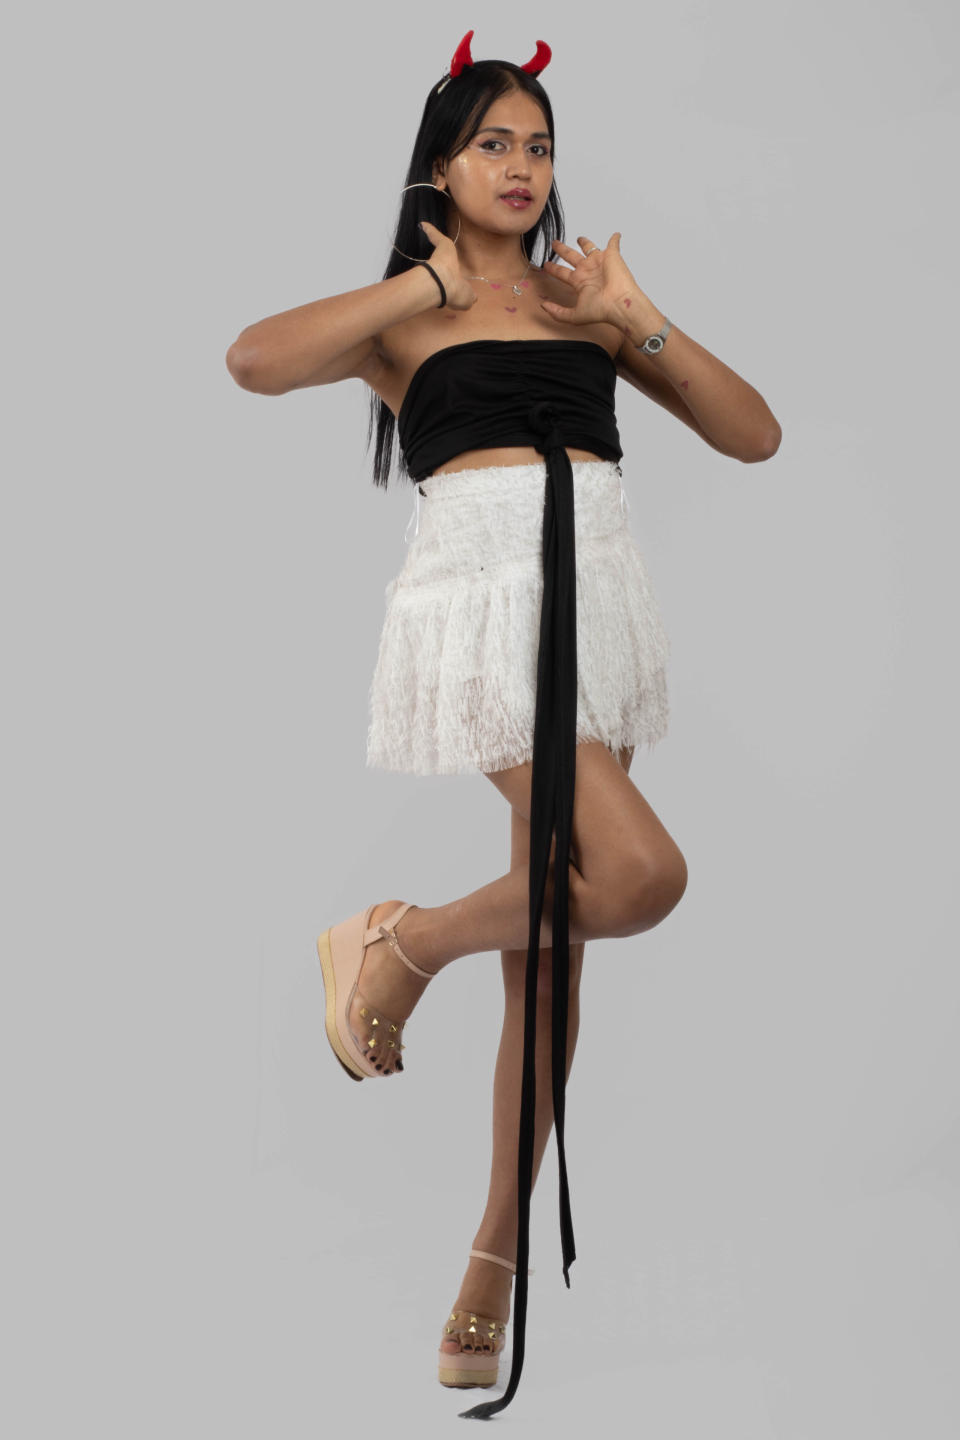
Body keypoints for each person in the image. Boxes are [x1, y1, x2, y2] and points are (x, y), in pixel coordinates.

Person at [225, 30, 781, 1421]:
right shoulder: (401, 318)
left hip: (602, 609)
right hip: (481, 610)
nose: (523, 166)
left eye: (539, 145)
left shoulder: (584, 305)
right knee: (638, 880)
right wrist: (424, 283)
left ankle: (490, 1255)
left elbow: (753, 433)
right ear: (440, 167)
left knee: (558, 950)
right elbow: (253, 360)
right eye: (493, 143)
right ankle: (401, 945)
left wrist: (638, 315)